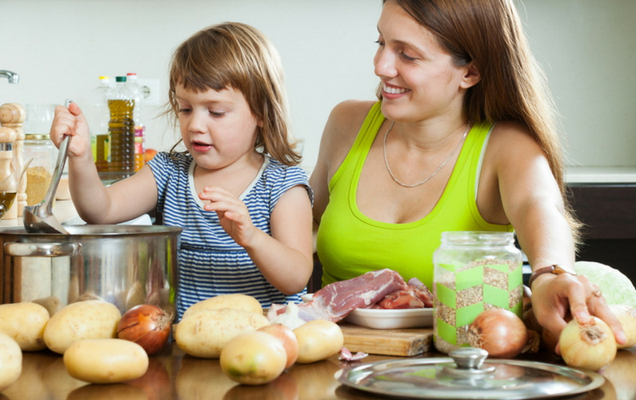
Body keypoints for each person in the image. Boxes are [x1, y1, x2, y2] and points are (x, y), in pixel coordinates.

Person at [310, 0, 625, 352]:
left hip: (459, 366)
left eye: (408, 55)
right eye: (381, 43)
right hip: (333, 359)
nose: (381, 66)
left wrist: (550, 274)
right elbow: (307, 227)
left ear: (470, 72)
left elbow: (539, 206)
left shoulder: (507, 147)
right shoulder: (346, 125)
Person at [49, 22, 314, 319]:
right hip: (185, 346)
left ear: (262, 112)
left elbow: (296, 277)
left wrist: (251, 237)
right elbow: (100, 210)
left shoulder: (282, 185)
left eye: (215, 112)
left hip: (261, 345)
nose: (195, 125)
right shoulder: (169, 173)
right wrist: (81, 156)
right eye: (185, 109)